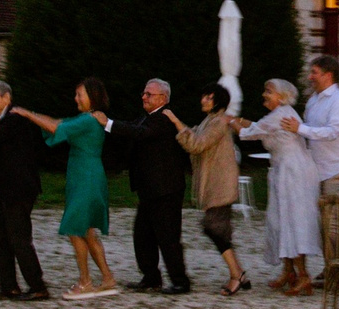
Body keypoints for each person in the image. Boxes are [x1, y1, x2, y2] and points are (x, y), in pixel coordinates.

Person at [12, 80, 120, 297]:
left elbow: (55, 128)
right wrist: (32, 113)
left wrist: (26, 114)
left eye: (79, 94)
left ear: (92, 96)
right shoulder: (85, 119)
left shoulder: (88, 121)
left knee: (74, 228)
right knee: (87, 230)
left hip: (86, 178)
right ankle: (107, 278)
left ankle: (85, 282)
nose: (76, 98)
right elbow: (57, 122)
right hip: (86, 176)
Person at [0, 78, 50, 301]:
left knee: (19, 238)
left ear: (6, 98)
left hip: (19, 190)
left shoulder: (14, 119)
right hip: (7, 190)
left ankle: (38, 286)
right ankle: (9, 287)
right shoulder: (0, 119)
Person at [111, 78, 192, 293]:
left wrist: (108, 123)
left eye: (149, 94)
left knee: (168, 236)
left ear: (163, 98)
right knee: (143, 234)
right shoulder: (147, 118)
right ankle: (151, 277)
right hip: (150, 189)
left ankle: (180, 281)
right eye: (144, 93)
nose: (143, 97)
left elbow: (139, 133)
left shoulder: (164, 118)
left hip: (165, 188)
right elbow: (133, 129)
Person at [243, 78, 320, 294]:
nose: (264, 95)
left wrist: (230, 121)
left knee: (293, 220)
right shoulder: (276, 115)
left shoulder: (281, 115)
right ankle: (289, 271)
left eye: (269, 91)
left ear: (282, 96)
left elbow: (252, 132)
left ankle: (303, 275)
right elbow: (257, 127)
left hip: (294, 171)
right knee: (279, 219)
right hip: (282, 169)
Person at [177, 83, 248, 295]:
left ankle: (236, 275)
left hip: (221, 185)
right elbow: (194, 136)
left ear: (217, 100)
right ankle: (239, 273)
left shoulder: (218, 123)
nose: (203, 100)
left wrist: (174, 122)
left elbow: (196, 144)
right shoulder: (211, 120)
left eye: (207, 97)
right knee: (219, 230)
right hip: (217, 184)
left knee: (213, 228)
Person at [299, 56, 339, 190]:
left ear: (328, 75)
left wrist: (300, 128)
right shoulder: (313, 100)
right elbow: (308, 129)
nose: (310, 77)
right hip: (316, 172)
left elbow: (332, 132)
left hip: (337, 172)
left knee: (331, 211)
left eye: (314, 72)